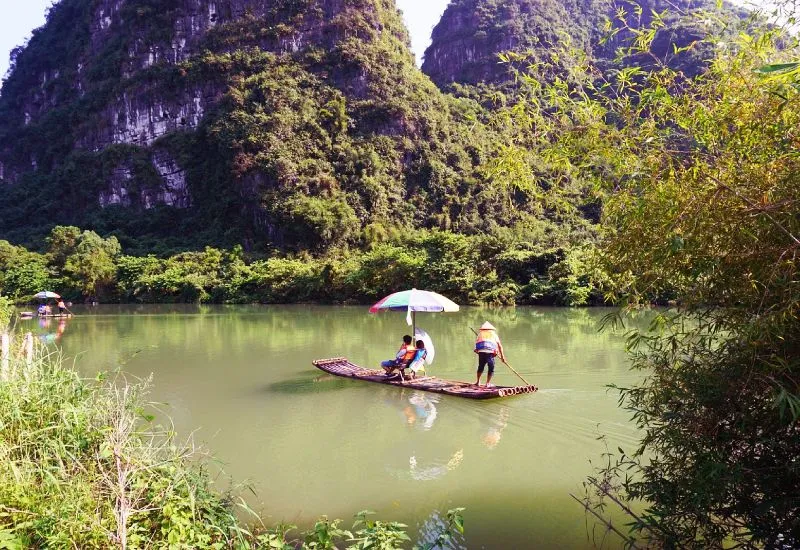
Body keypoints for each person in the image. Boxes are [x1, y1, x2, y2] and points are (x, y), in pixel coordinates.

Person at [474, 321, 506, 387]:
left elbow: (476, 348)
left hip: (481, 353)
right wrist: (503, 357)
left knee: (480, 367)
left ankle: (478, 382)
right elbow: (499, 346)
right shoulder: (494, 334)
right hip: (490, 353)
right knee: (491, 367)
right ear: (491, 329)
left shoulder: (480, 334)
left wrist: (479, 352)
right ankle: (487, 383)